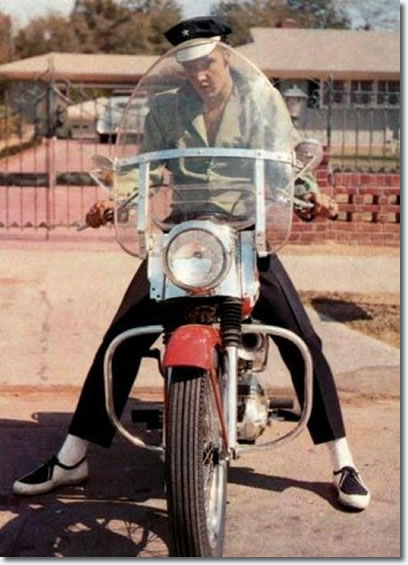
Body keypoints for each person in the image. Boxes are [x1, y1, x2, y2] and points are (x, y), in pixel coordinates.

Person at [13, 17, 370, 511]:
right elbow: (144, 167)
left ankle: (342, 460)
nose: (200, 74)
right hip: (184, 234)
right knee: (122, 335)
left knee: (303, 338)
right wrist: (115, 201)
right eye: (189, 67)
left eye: (206, 63)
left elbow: (284, 162)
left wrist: (313, 196)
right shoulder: (166, 108)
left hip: (246, 233)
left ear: (223, 56)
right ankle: (73, 456)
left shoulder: (260, 101)